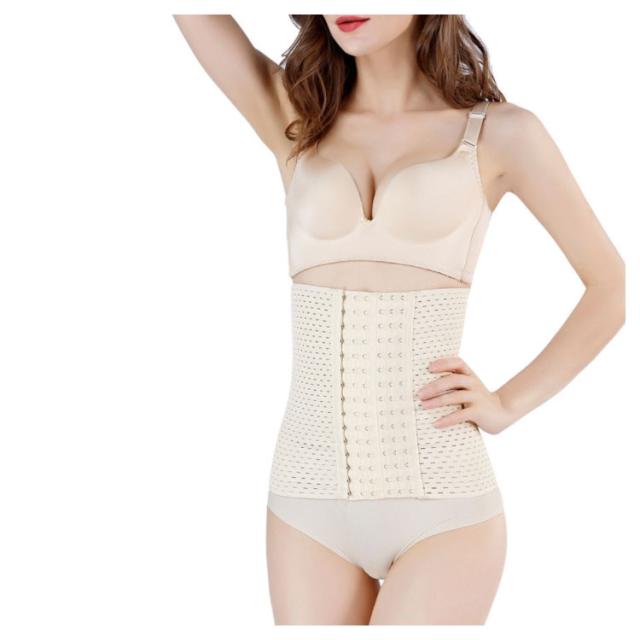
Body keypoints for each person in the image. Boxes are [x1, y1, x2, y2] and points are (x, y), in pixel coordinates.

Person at [173, 14, 625, 625]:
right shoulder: (295, 117)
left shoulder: (501, 134)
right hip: (305, 497)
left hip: (441, 507)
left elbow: (610, 287)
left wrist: (506, 404)